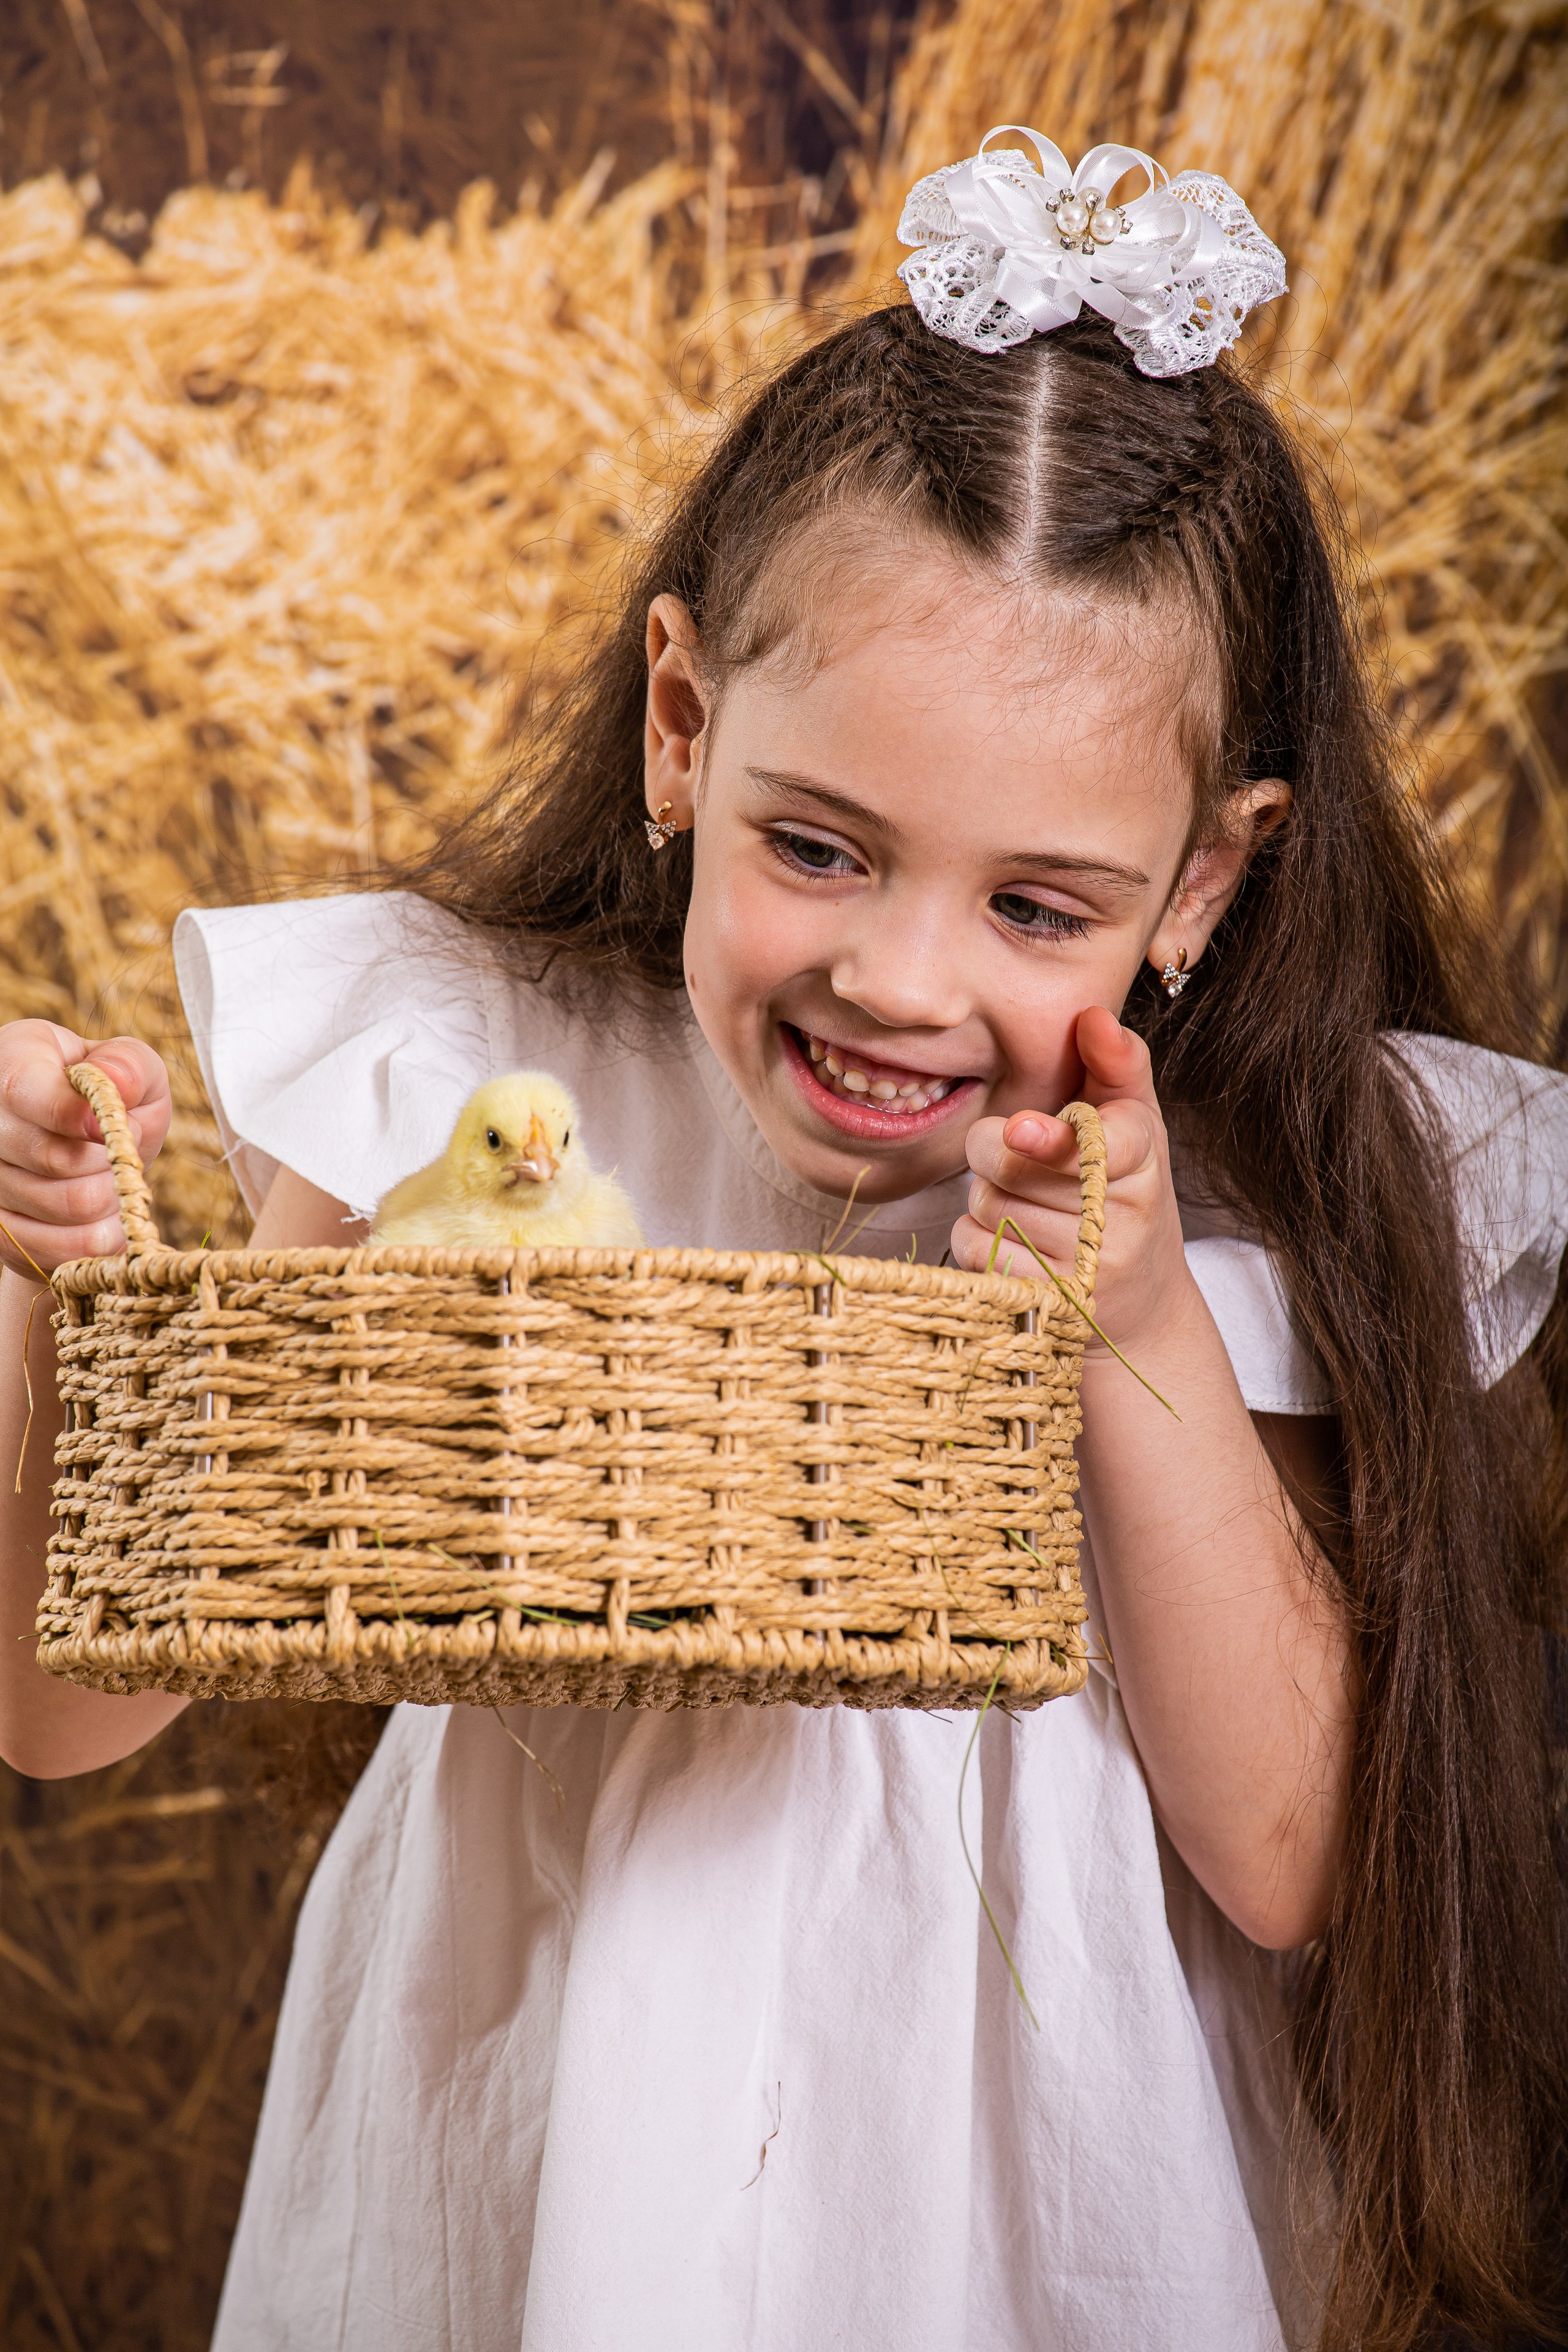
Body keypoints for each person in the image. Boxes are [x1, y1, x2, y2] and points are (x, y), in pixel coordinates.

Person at [2, 132, 1566, 2352]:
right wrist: (58, 1305)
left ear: (1202, 889)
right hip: (527, 2184)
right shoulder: (473, 1091)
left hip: (1010, 2221)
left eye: (1041, 907)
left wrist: (1129, 1327)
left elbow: (1298, 1858)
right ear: (681, 726)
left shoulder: (1226, 1203)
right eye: (820, 848)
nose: (905, 983)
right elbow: (65, 1710)